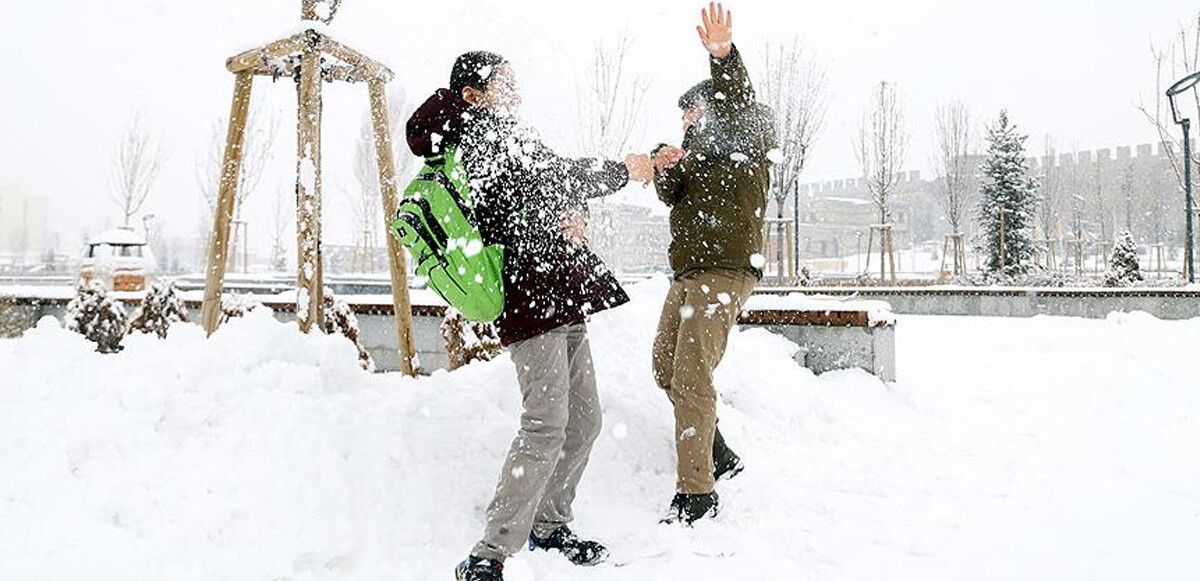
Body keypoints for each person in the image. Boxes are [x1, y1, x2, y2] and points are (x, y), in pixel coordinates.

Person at [406, 51, 655, 581]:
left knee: (585, 421)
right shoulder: (477, 137)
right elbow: (546, 181)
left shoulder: (508, 132)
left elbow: (545, 192)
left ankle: (549, 523)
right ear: (474, 93)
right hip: (529, 299)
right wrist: (621, 172)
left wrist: (574, 216)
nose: (516, 90)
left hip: (559, 290)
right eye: (504, 82)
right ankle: (487, 553)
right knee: (545, 424)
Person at [650, 2, 777, 526]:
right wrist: (664, 164)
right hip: (690, 273)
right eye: (683, 116)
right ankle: (718, 451)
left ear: (715, 107)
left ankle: (697, 493)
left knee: (691, 375)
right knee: (665, 366)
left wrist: (722, 56)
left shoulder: (744, 135)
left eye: (693, 112)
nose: (687, 121)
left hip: (724, 271)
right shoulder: (695, 154)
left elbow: (737, 99)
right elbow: (671, 196)